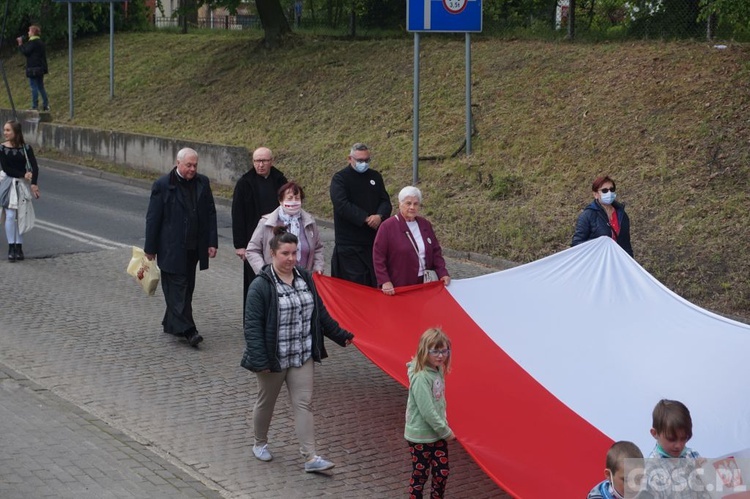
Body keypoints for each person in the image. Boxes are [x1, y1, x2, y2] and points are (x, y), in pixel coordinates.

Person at [241, 226, 354, 473]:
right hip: (273, 359)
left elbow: (320, 315)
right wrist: (261, 361)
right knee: (266, 402)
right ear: (272, 253)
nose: (291, 258)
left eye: (295, 253)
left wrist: (341, 336)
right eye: (285, 253)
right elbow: (252, 327)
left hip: (302, 356)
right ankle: (259, 443)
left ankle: (310, 457)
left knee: (304, 404)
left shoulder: (305, 278)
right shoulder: (261, 286)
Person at [144, 147, 218, 348]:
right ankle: (189, 330)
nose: (192, 169)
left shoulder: (202, 182)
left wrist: (212, 242)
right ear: (178, 163)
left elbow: (210, 213)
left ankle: (171, 323)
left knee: (186, 289)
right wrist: (149, 249)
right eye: (188, 165)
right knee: (177, 289)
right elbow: (153, 219)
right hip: (170, 247)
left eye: (195, 165)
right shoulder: (162, 185)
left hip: (194, 248)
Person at [231, 146, 287, 310]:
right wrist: (240, 245)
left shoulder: (280, 181)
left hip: (277, 241)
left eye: (264, 161)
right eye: (256, 161)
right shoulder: (245, 183)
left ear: (272, 161)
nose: (260, 165)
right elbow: (238, 214)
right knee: (255, 282)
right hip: (253, 242)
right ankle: (253, 320)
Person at [330, 143, 391, 287]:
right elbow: (341, 204)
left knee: (374, 282)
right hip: (349, 243)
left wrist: (380, 216)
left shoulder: (375, 176)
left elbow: (385, 200)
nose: (363, 163)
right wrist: (365, 218)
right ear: (350, 159)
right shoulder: (340, 178)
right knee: (355, 284)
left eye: (367, 160)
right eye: (360, 160)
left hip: (373, 241)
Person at [405, 327, 454, 499]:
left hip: (437, 434)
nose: (441, 356)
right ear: (425, 351)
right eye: (435, 351)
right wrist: (445, 431)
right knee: (420, 474)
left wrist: (443, 425)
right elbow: (427, 410)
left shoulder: (437, 370)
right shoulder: (420, 378)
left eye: (444, 351)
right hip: (421, 436)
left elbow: (439, 401)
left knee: (442, 472)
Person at [373, 186, 450, 295]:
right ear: (400, 204)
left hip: (424, 282)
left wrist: (442, 272)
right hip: (399, 284)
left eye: (416, 204)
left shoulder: (425, 225)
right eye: (408, 203)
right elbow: (378, 256)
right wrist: (384, 281)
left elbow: (436, 251)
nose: (412, 207)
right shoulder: (387, 226)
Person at [245, 181, 323, 275]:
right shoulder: (266, 223)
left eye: (297, 198)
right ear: (281, 201)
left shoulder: (309, 222)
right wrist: (264, 271)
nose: (294, 201)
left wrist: (318, 267)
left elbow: (318, 248)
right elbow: (252, 250)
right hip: (275, 279)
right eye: (290, 198)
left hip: (305, 278)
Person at [643, 399, 708, 499]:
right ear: (655, 433)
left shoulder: (692, 455)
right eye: (671, 439)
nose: (679, 445)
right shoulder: (651, 469)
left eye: (684, 438)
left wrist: (705, 475)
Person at [0, 120, 40, 262]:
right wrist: (24, 174)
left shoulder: (26, 148)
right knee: (10, 216)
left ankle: (19, 247)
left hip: (22, 185)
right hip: (9, 184)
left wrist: (33, 183)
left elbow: (34, 167)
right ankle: (11, 247)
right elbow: (6, 169)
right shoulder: (2, 148)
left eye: (8, 130)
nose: (5, 133)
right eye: (4, 130)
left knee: (21, 215)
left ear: (16, 132)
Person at [572, 175, 633, 257]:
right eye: (604, 191)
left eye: (612, 189)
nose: (609, 193)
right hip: (597, 262)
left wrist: (630, 262)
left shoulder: (621, 214)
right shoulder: (587, 216)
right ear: (596, 194)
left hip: (618, 260)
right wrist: (598, 246)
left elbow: (626, 243)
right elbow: (577, 244)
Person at [17, 24, 49, 112]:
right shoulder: (40, 43)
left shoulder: (32, 43)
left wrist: (20, 44)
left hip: (33, 68)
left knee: (34, 87)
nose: (28, 33)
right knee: (41, 87)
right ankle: (46, 105)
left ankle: (35, 106)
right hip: (40, 68)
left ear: (33, 32)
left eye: (29, 31)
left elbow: (26, 52)